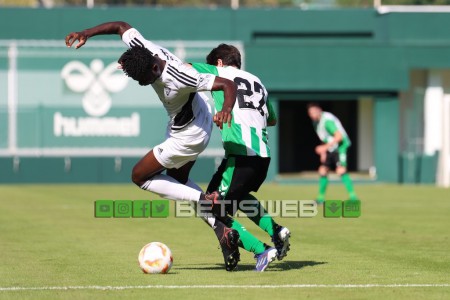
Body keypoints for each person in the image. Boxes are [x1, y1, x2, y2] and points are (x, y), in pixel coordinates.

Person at [65, 21, 241, 271]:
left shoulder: (180, 76)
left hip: (189, 135)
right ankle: (221, 231)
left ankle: (207, 200)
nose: (142, 83)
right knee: (177, 182)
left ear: (156, 66)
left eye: (145, 78)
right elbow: (119, 26)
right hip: (188, 121)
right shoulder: (142, 49)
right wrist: (86, 34)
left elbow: (228, 84)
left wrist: (226, 110)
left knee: (139, 176)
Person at [191, 44, 290, 272]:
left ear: (218, 62)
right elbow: (272, 119)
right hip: (261, 157)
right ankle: (276, 231)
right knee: (240, 197)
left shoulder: (219, 72)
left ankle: (261, 249)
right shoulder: (258, 82)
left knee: (209, 208)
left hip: (240, 155)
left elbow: (182, 68)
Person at [307, 102, 358, 203]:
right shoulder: (316, 122)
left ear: (319, 110)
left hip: (341, 146)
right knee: (322, 170)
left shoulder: (327, 121)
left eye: (314, 112)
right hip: (331, 147)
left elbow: (339, 137)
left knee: (341, 170)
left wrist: (324, 148)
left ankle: (353, 197)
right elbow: (324, 137)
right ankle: (320, 199)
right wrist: (324, 152)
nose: (312, 115)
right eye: (310, 113)